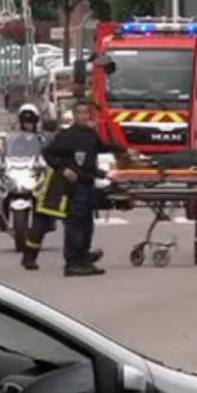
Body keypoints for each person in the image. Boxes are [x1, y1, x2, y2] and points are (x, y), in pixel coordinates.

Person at [22, 99, 127, 276]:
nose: (83, 116)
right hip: (72, 187)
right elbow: (48, 153)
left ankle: (84, 259)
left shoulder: (91, 134)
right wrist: (63, 169)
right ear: (74, 115)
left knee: (87, 226)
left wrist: (124, 149)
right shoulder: (67, 135)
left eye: (86, 113)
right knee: (75, 227)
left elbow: (102, 147)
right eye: (79, 113)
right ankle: (72, 264)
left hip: (87, 185)